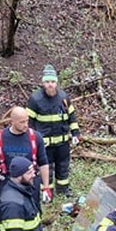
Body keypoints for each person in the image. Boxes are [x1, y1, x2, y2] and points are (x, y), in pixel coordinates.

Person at [26, 64, 79, 198]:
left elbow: (71, 117)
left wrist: (75, 134)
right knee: (46, 168)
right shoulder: (35, 99)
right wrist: (32, 141)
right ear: (43, 83)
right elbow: (28, 123)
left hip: (62, 143)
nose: (50, 85)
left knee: (63, 167)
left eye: (53, 82)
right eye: (47, 82)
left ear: (57, 82)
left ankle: (63, 190)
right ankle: (47, 192)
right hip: (44, 144)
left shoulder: (64, 97)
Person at [0, 106, 52, 207]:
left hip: (31, 183)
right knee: (9, 210)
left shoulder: (35, 137)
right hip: (7, 182)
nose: (26, 125)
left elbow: (43, 163)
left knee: (32, 212)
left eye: (27, 121)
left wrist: (46, 187)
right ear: (12, 121)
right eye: (22, 122)